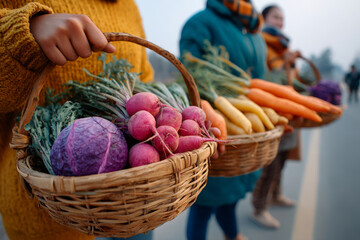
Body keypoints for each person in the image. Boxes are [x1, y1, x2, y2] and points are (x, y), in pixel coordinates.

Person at [0, 1, 154, 240]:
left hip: (134, 200)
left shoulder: (130, 6)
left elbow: (143, 78)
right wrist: (23, 35)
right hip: (50, 212)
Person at [180, 1, 266, 239]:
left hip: (248, 131)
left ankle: (232, 234)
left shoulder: (251, 27)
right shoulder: (200, 22)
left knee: (232, 197)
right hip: (216, 127)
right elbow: (189, 74)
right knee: (204, 205)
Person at [251, 5, 298, 229]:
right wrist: (286, 63)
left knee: (283, 160)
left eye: (282, 17)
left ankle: (276, 194)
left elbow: (290, 80)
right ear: (263, 18)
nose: (279, 21)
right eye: (275, 17)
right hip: (271, 111)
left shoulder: (281, 45)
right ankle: (259, 208)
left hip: (289, 111)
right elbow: (265, 79)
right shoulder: (260, 43)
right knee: (270, 162)